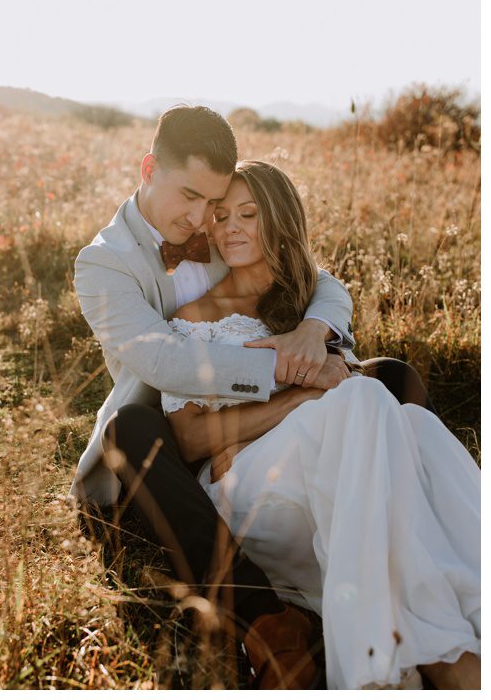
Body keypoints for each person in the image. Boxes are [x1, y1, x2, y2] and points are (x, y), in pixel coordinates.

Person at [68, 105, 432, 688]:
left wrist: (316, 332)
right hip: (165, 437)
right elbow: (165, 361)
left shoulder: (216, 226)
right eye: (188, 196)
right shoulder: (103, 262)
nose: (200, 218)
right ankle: (267, 621)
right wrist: (292, 373)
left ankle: (405, 518)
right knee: (130, 431)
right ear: (147, 168)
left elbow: (316, 277)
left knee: (392, 376)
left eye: (211, 204)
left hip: (254, 418)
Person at [162, 160, 479, 690]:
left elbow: (341, 382)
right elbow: (192, 438)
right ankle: (400, 662)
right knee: (364, 400)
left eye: (248, 213)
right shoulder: (193, 317)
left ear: (280, 219)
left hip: (334, 474)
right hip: (247, 488)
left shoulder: (313, 300)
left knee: (413, 428)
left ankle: (442, 643)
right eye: (220, 216)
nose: (231, 227)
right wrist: (305, 396)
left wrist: (323, 387)